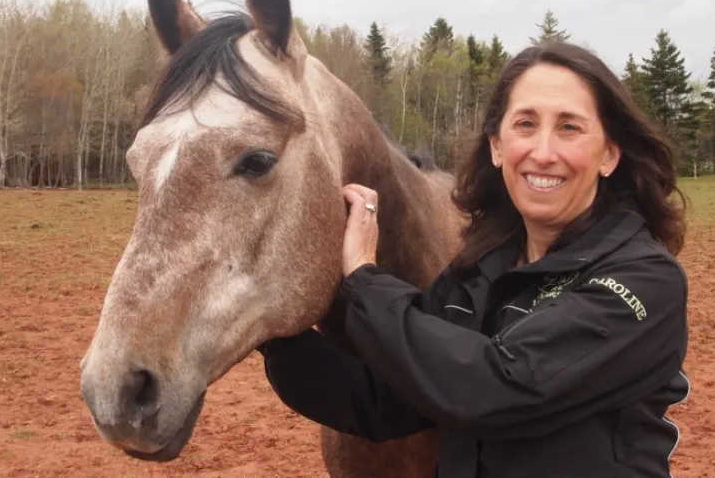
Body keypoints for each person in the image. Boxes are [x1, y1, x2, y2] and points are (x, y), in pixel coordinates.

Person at [258, 41, 691, 477]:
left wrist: (364, 281)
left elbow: (497, 389)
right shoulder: (483, 270)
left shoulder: (644, 280)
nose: (543, 152)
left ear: (610, 155)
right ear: (498, 147)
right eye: (525, 124)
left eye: (569, 128)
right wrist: (265, 324)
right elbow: (382, 400)